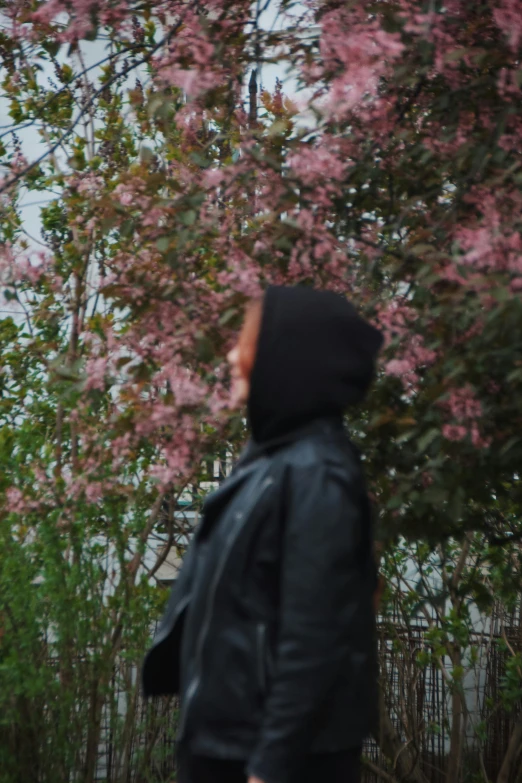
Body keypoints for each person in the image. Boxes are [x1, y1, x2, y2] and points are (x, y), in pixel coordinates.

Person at [142, 285, 384, 783]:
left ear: (286, 359)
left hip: (268, 758)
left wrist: (272, 765)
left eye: (246, 343)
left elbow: (314, 635)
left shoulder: (316, 471)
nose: (232, 355)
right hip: (229, 746)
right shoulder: (272, 461)